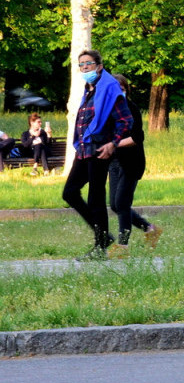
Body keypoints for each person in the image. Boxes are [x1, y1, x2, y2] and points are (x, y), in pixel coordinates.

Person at [62, 50, 133, 261]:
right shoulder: (89, 90)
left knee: (96, 198)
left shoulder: (109, 89)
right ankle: (103, 238)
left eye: (88, 64)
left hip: (100, 151)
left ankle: (101, 245)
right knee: (70, 193)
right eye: (81, 64)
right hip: (83, 150)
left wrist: (113, 143)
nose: (84, 68)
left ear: (99, 66)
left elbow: (126, 121)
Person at [105, 74, 162, 258]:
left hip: (132, 161)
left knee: (122, 202)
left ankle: (122, 247)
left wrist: (114, 143)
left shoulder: (131, 108)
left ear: (126, 89)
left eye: (121, 87)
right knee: (114, 204)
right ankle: (150, 229)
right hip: (114, 162)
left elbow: (137, 138)